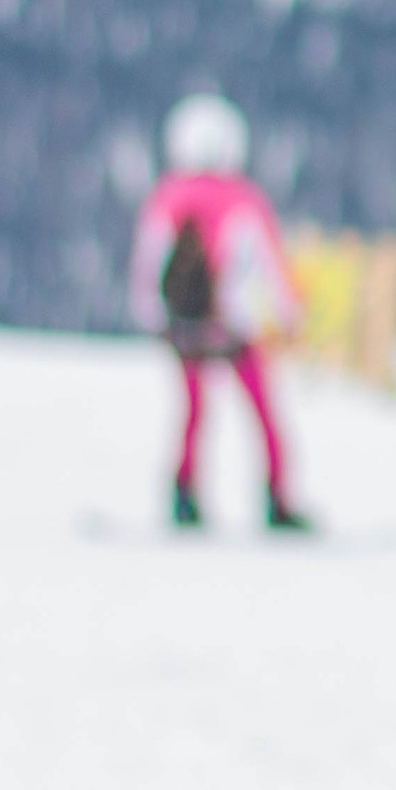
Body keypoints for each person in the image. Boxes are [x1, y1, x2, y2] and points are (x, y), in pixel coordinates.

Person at [126, 94, 309, 532]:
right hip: (233, 325)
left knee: (193, 412)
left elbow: (148, 261)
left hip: (185, 327)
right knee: (263, 412)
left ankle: (184, 496)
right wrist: (287, 313)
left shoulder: (166, 197)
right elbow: (268, 263)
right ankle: (277, 499)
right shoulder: (244, 199)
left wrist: (151, 315)